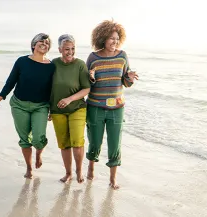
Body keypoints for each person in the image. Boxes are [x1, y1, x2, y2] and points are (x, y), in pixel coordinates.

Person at [0, 33, 55, 179]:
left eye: (47, 43)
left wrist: (52, 109)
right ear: (33, 45)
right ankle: (29, 168)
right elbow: (11, 81)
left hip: (40, 106)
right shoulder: (22, 61)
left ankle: (38, 153)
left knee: (38, 138)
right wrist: (0, 97)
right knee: (24, 139)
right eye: (41, 41)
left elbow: (53, 90)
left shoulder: (51, 67)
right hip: (19, 105)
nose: (44, 44)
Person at [85, 20, 139, 189]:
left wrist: (129, 78)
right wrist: (91, 77)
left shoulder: (122, 55)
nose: (114, 42)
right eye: (111, 38)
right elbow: (86, 83)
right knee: (94, 142)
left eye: (117, 39)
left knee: (115, 143)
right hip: (95, 107)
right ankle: (91, 168)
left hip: (117, 108)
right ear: (102, 39)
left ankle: (112, 179)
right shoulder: (93, 57)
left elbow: (125, 82)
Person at [49, 34, 91, 183]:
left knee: (77, 141)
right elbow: (47, 87)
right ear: (60, 49)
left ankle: (79, 172)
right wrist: (49, 108)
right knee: (64, 143)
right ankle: (68, 174)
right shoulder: (53, 64)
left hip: (77, 108)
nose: (70, 52)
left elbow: (86, 88)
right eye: (67, 49)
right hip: (57, 110)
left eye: (73, 48)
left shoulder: (80, 65)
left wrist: (69, 99)